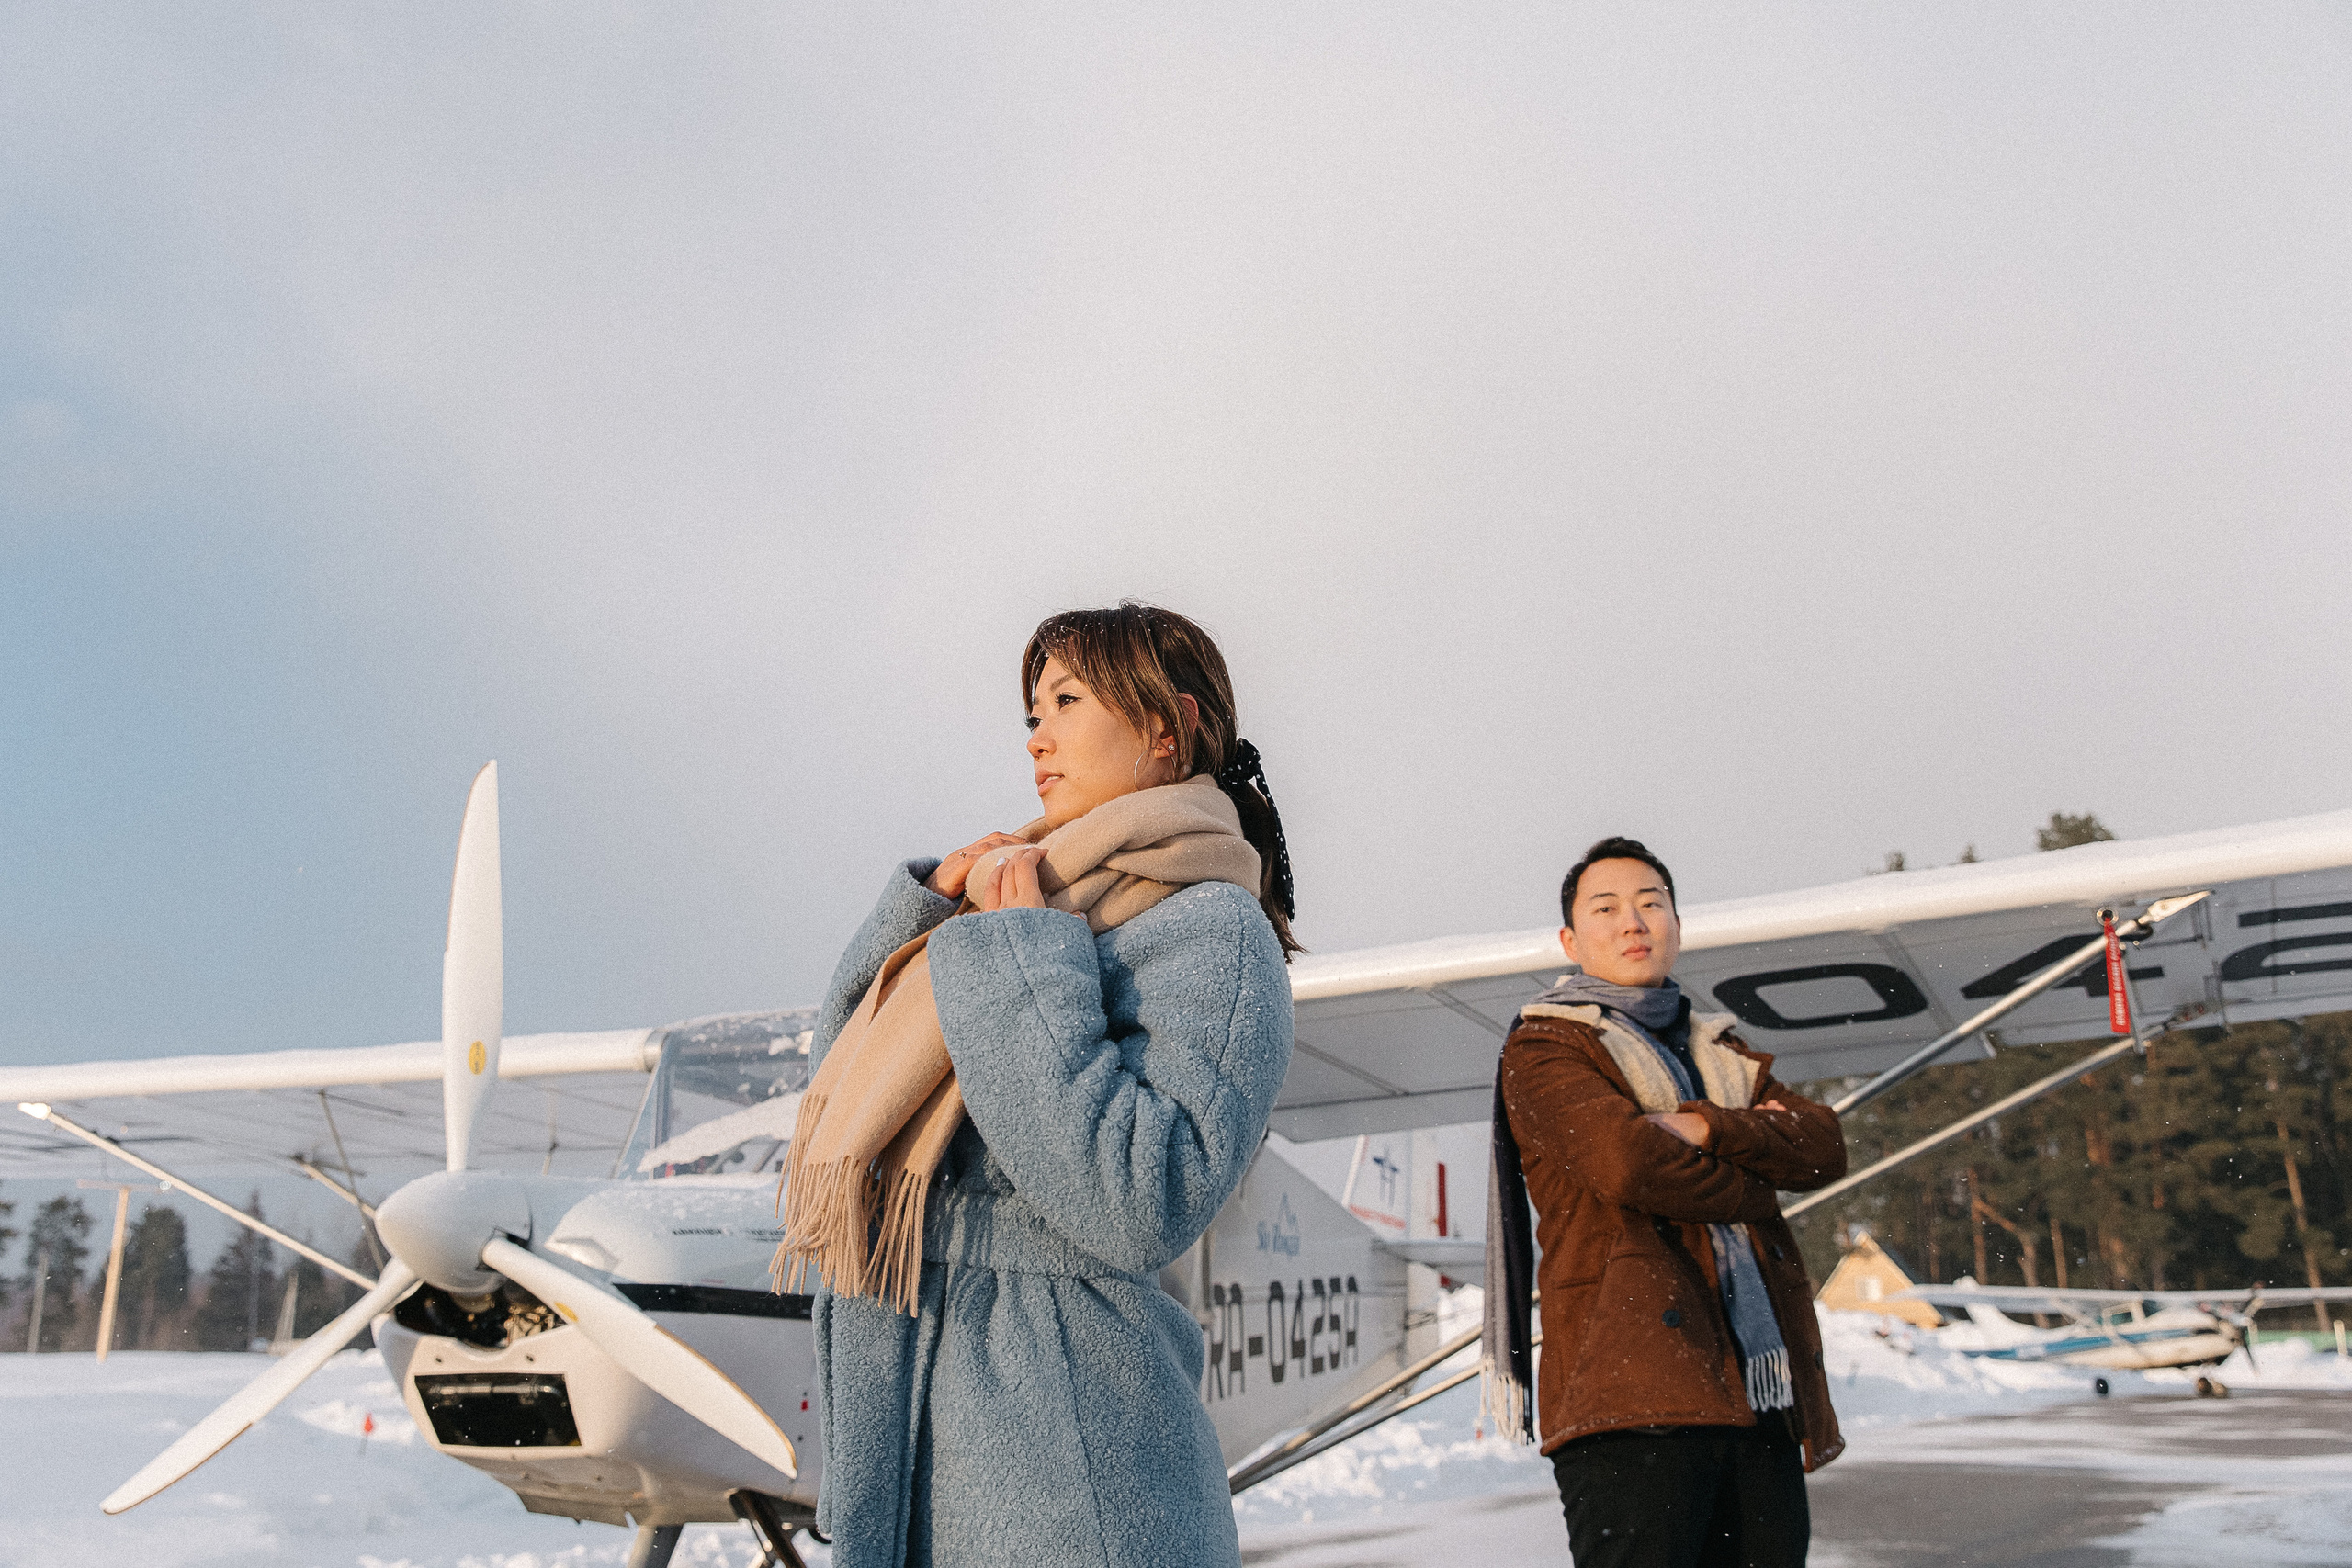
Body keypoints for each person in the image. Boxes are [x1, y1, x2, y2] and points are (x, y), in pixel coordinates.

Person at [775, 602, 1298, 1568]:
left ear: (1162, 727)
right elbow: (840, 1105)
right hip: (925, 1434)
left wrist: (1018, 955)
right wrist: (923, 916)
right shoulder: (1025, 895)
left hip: (1068, 1475)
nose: (1037, 738)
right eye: (1030, 713)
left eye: (1065, 701)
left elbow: (1140, 1202)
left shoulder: (1213, 933)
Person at [1483, 837, 1848, 1568]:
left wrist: (1706, 1122)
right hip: (1631, 1402)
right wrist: (1753, 1183)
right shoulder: (1547, 1047)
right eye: (1607, 907)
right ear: (1570, 938)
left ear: (1678, 924)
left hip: (1754, 1397)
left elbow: (1820, 1144)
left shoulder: (1723, 1052)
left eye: (1652, 903)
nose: (1633, 922)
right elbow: (1627, 1164)